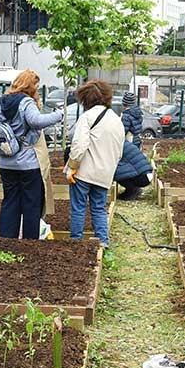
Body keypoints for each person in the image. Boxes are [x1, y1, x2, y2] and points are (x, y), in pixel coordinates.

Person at [0, 70, 63, 239]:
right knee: (31, 204)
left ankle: (6, 241)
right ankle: (29, 243)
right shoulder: (26, 103)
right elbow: (36, 121)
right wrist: (58, 115)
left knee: (10, 202)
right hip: (28, 163)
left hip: (5, 163)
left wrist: (8, 135)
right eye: (35, 85)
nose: (37, 89)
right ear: (30, 86)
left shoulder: (1, 102)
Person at [66, 79, 123, 248]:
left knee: (78, 208)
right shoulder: (116, 120)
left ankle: (76, 242)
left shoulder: (87, 117)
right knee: (99, 208)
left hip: (84, 173)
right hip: (104, 174)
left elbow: (79, 146)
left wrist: (72, 167)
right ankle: (103, 243)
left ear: (86, 99)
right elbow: (119, 151)